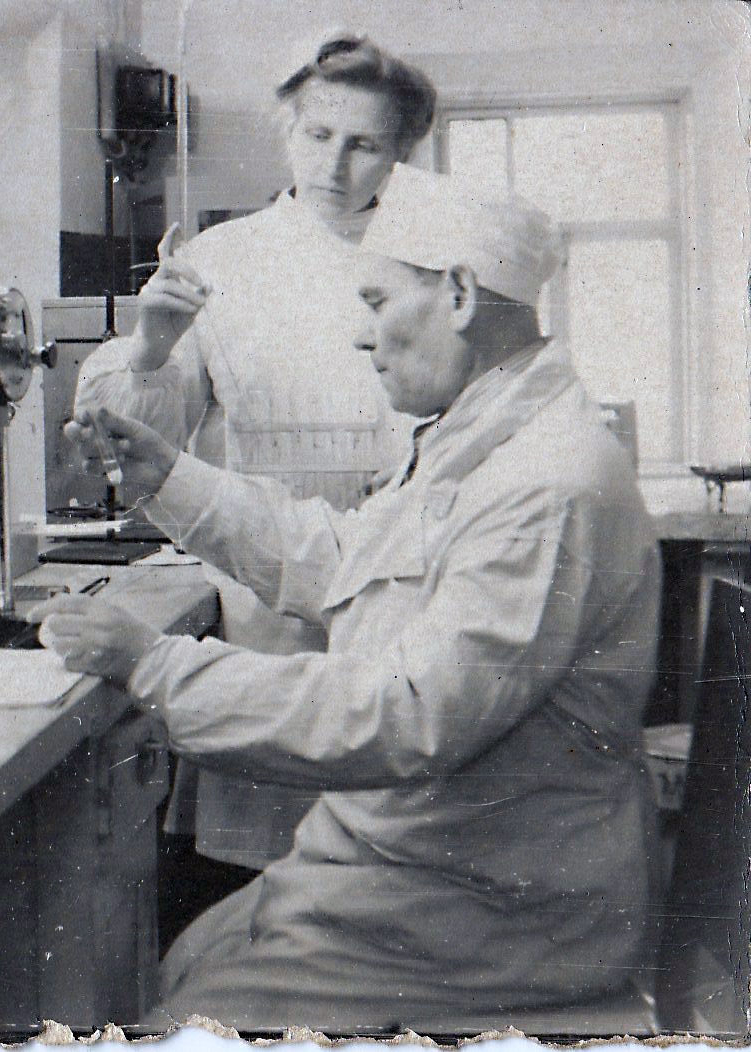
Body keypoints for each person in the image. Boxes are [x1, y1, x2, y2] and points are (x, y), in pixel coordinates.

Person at [37, 163, 661, 1030]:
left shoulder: (546, 483)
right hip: (422, 871)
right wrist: (168, 477)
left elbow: (405, 714)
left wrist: (156, 665)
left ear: (459, 295)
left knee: (165, 1019)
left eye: (375, 303)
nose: (362, 339)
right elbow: (343, 558)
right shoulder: (480, 437)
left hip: (486, 915)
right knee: (178, 962)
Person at [73, 30, 438, 878]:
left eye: (364, 144)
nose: (335, 165)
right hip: (267, 596)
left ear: (402, 154)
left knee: (390, 855)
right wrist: (154, 343)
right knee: (271, 858)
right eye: (319, 135)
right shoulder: (222, 259)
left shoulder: (432, 262)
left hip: (405, 591)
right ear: (287, 131)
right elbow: (137, 433)